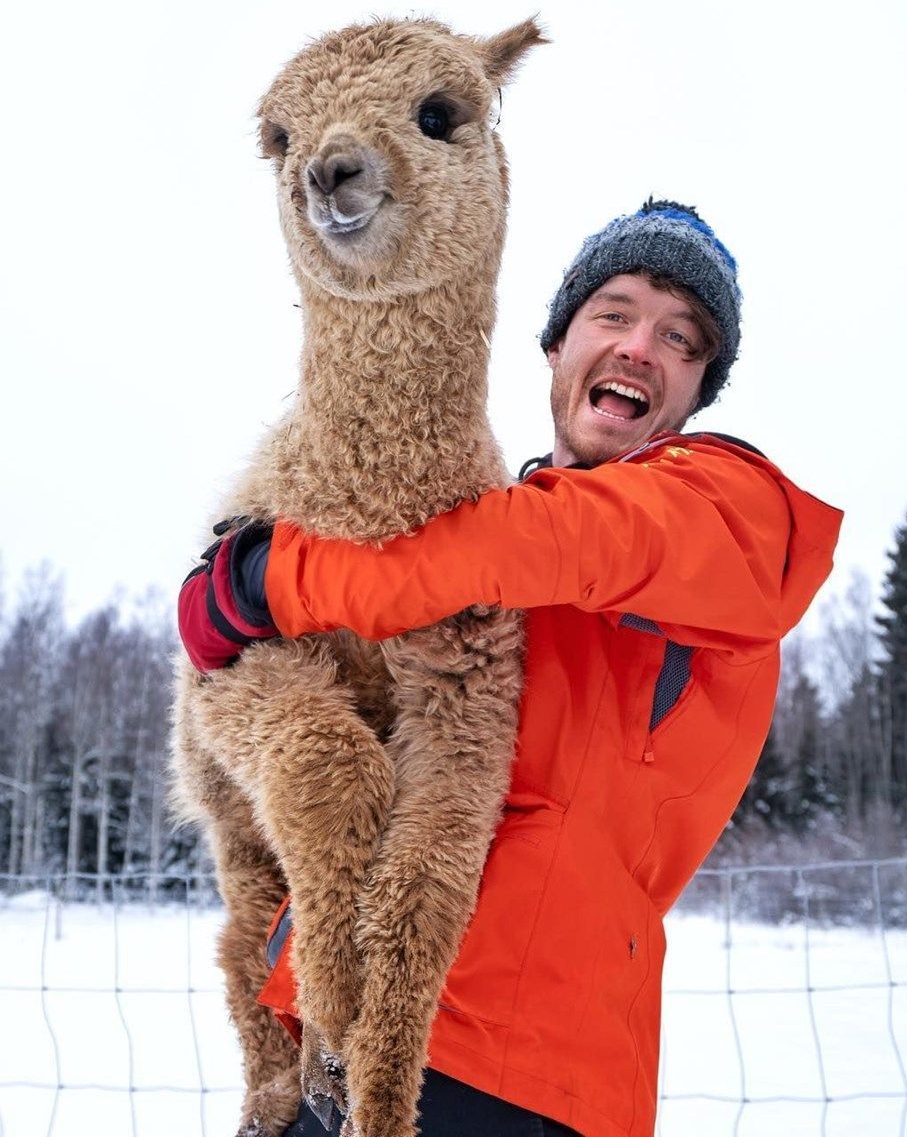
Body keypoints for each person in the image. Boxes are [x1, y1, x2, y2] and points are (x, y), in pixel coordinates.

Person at [179, 199, 843, 1137]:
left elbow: (559, 540)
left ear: (698, 391)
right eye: (613, 313)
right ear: (556, 345)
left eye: (681, 339)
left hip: (506, 1064)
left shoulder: (729, 512)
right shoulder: (486, 526)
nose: (640, 347)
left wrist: (271, 580)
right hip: (336, 1029)